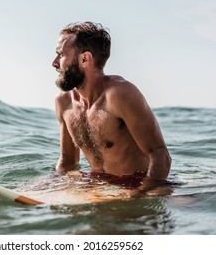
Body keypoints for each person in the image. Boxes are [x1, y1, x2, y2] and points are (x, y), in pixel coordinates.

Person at [51, 22, 171, 192]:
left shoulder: (119, 94)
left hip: (138, 185)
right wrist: (53, 187)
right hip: (100, 185)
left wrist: (140, 195)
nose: (54, 63)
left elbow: (160, 155)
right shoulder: (64, 103)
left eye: (61, 55)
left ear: (85, 59)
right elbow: (67, 161)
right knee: (35, 187)